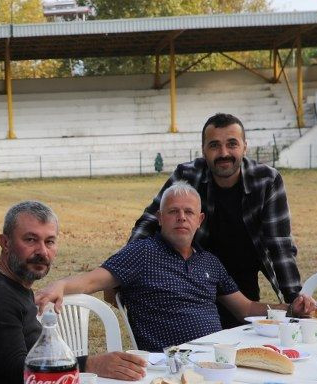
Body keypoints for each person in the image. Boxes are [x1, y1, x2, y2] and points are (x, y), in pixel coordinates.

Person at [38, 184, 317, 352]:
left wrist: (291, 309)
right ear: (160, 218)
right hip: (169, 363)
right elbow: (92, 282)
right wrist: (60, 285)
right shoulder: (142, 253)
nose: (181, 218)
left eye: (188, 212)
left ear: (200, 220)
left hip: (218, 358)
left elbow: (245, 309)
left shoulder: (209, 261)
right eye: (173, 212)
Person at [0, 200, 147, 384]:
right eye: (31, 240)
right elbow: (19, 376)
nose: (42, 251)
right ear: (5, 243)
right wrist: (90, 364)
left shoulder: (13, 287)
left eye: (49, 242)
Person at [129, 112, 302, 329]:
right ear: (203, 150)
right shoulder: (187, 174)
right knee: (199, 336)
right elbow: (150, 220)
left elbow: (280, 244)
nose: (224, 153)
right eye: (214, 145)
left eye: (232, 144)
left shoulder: (267, 180)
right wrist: (126, 267)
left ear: (244, 147)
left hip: (243, 275)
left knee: (241, 338)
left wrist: (294, 298)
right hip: (194, 276)